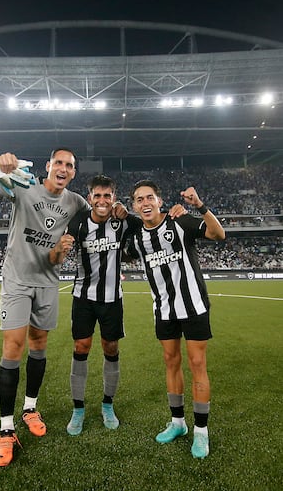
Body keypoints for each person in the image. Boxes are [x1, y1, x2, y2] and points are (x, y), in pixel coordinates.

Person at [0, 148, 88, 467]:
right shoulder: (22, 186)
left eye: (70, 166)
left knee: (39, 345)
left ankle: (30, 408)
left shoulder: (75, 202)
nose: (63, 169)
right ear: (48, 166)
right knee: (13, 347)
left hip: (48, 282)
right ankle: (6, 429)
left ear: (74, 173)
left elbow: (98, 215)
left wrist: (116, 210)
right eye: (58, 163)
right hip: (18, 279)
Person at [128, 181, 225, 459]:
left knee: (197, 364)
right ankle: (178, 424)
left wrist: (200, 206)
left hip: (193, 306)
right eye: (139, 199)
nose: (145, 203)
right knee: (171, 363)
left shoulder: (179, 221)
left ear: (159, 201)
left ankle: (201, 432)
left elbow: (218, 234)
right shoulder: (136, 238)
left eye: (149, 197)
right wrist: (118, 215)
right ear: (135, 206)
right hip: (164, 310)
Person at [50, 175, 139, 435]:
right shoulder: (78, 223)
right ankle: (78, 409)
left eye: (107, 196)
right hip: (83, 297)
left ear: (114, 198)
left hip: (112, 298)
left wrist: (128, 212)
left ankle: (107, 404)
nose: (102, 200)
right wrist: (59, 249)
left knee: (110, 347)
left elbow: (149, 224)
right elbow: (56, 258)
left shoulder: (122, 221)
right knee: (81, 346)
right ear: (90, 199)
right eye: (97, 196)